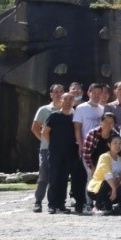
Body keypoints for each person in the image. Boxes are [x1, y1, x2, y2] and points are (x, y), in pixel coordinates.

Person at [43, 92, 86, 214]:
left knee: (64, 178)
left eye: (70, 99)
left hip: (70, 152)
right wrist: (53, 144)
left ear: (74, 102)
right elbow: (45, 132)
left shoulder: (75, 117)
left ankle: (61, 204)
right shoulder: (54, 116)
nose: (68, 102)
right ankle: (52, 204)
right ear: (61, 100)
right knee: (54, 178)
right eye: (65, 99)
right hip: (56, 152)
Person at [31, 83, 64, 212]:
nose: (58, 94)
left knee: (59, 177)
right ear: (51, 95)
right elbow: (35, 128)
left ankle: (56, 202)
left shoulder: (68, 110)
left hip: (62, 149)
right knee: (44, 175)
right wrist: (44, 140)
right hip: (47, 148)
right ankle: (38, 201)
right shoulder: (44, 109)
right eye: (56, 92)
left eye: (61, 92)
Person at [87, 136, 121, 215]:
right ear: (109, 145)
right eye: (115, 143)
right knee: (106, 183)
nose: (118, 145)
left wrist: (117, 185)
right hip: (97, 189)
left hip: (113, 187)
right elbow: (108, 175)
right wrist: (114, 189)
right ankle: (96, 207)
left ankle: (109, 206)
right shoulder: (104, 157)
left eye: (120, 143)